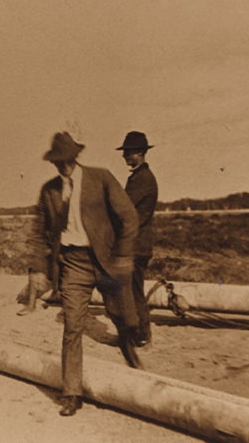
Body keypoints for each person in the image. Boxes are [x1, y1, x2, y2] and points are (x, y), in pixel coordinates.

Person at [19, 131, 142, 417]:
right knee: (72, 326)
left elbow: (128, 217)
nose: (62, 166)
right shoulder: (48, 191)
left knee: (121, 315)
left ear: (75, 157)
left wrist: (123, 254)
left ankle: (128, 345)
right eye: (57, 161)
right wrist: (38, 268)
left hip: (107, 260)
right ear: (52, 162)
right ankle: (72, 393)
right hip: (72, 264)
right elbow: (38, 233)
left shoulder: (101, 178)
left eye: (66, 160)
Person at [116, 131, 159, 347]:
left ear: (141, 153)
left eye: (129, 153)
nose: (126, 157)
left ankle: (142, 335)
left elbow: (124, 209)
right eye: (125, 153)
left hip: (136, 245)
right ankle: (137, 333)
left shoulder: (142, 179)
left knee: (134, 291)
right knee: (131, 290)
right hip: (136, 244)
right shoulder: (139, 177)